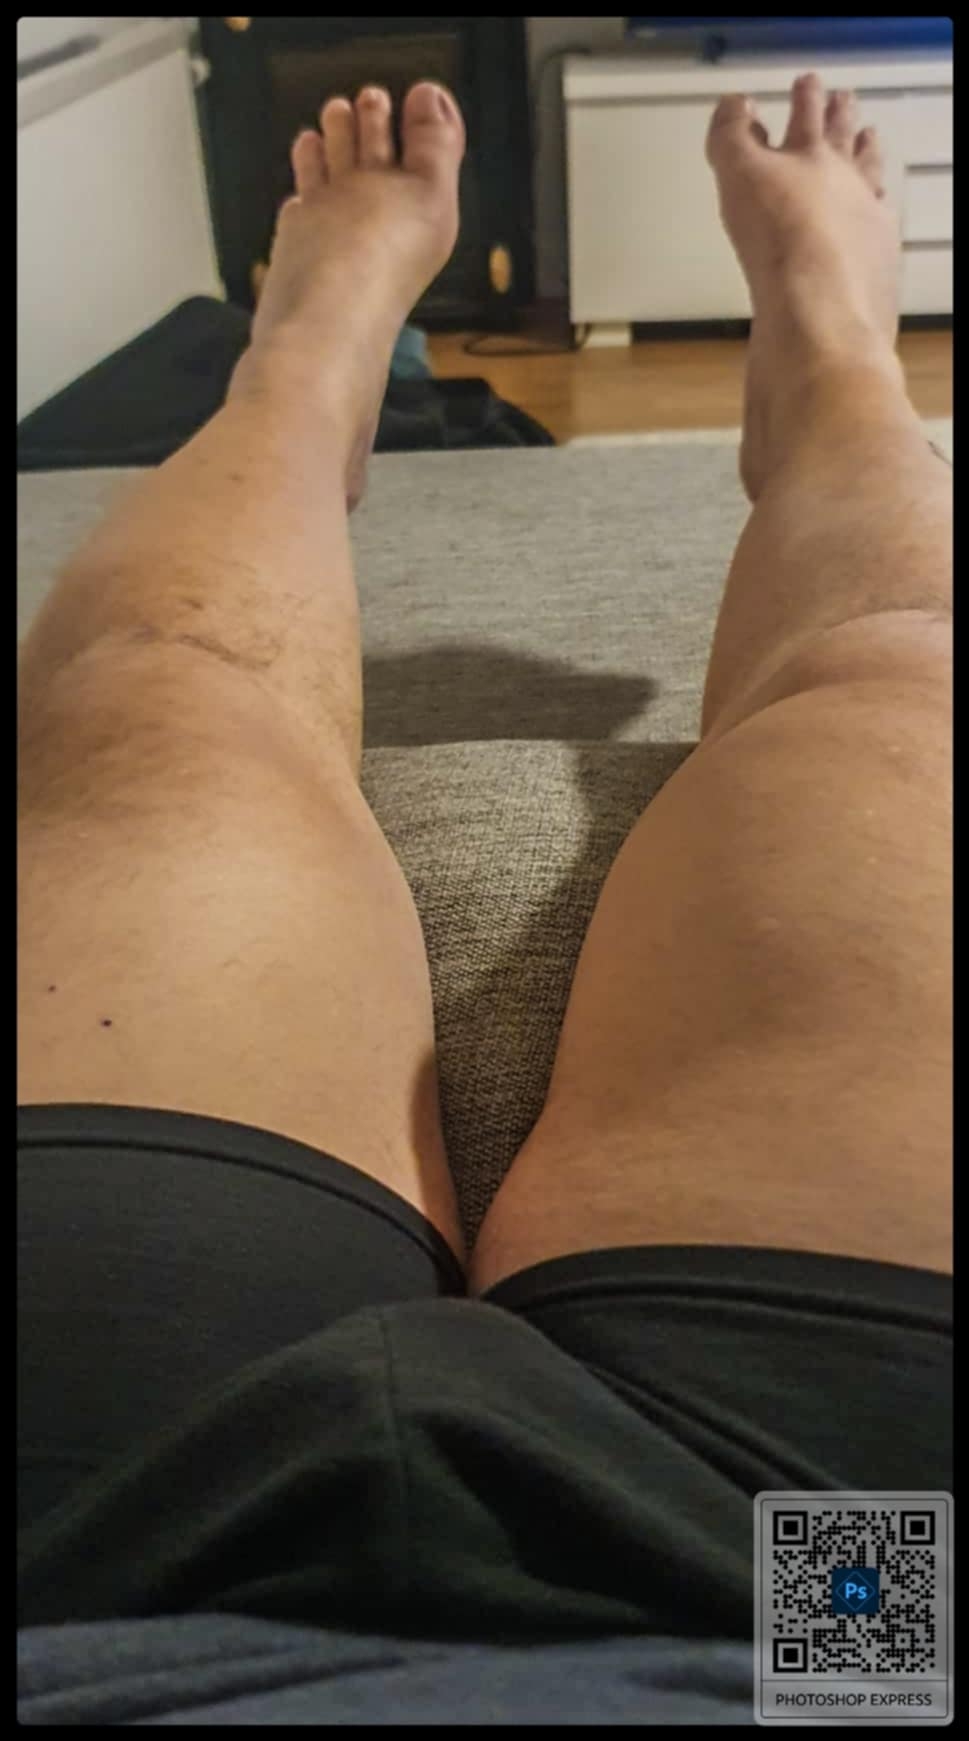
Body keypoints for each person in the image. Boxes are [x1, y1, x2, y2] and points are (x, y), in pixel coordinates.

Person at [17, 76, 951, 1723]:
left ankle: (307, 367)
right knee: (909, 687)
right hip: (831, 1633)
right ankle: (830, 364)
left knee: (162, 694)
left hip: (74, 1587)